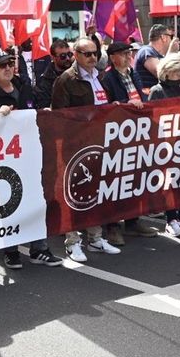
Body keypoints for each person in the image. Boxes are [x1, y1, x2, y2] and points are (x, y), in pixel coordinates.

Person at [0, 52, 61, 269]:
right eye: (2, 66)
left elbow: (35, 110)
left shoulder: (24, 86)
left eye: (10, 64)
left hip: (28, 155)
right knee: (7, 204)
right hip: (1, 160)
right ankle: (11, 251)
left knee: (35, 200)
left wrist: (43, 113)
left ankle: (39, 248)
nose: (8, 68)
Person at [51, 38, 121, 261]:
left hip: (98, 142)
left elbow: (104, 106)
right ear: (76, 55)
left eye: (95, 53)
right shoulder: (66, 80)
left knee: (94, 192)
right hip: (75, 145)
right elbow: (59, 115)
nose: (92, 57)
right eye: (87, 54)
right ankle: (72, 242)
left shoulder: (100, 77)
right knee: (73, 194)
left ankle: (96, 238)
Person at [100, 41, 157, 242]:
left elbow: (141, 97)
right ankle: (112, 225)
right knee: (115, 180)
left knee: (135, 178)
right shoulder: (106, 78)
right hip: (118, 135)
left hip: (136, 132)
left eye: (129, 53)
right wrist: (126, 105)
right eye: (124, 54)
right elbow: (106, 106)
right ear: (113, 57)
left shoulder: (133, 73)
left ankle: (133, 220)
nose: (128, 57)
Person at [148, 53, 180, 236]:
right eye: (177, 73)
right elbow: (153, 119)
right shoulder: (157, 90)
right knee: (169, 183)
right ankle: (171, 219)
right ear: (167, 72)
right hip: (166, 143)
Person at [133, 24, 179, 92]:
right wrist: (171, 52)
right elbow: (161, 73)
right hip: (149, 97)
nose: (171, 40)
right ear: (163, 37)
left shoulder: (159, 55)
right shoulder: (146, 51)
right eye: (171, 37)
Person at [33, 40, 73, 109]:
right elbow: (44, 105)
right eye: (63, 56)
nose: (67, 58)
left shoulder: (78, 73)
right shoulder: (44, 81)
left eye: (69, 54)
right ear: (53, 58)